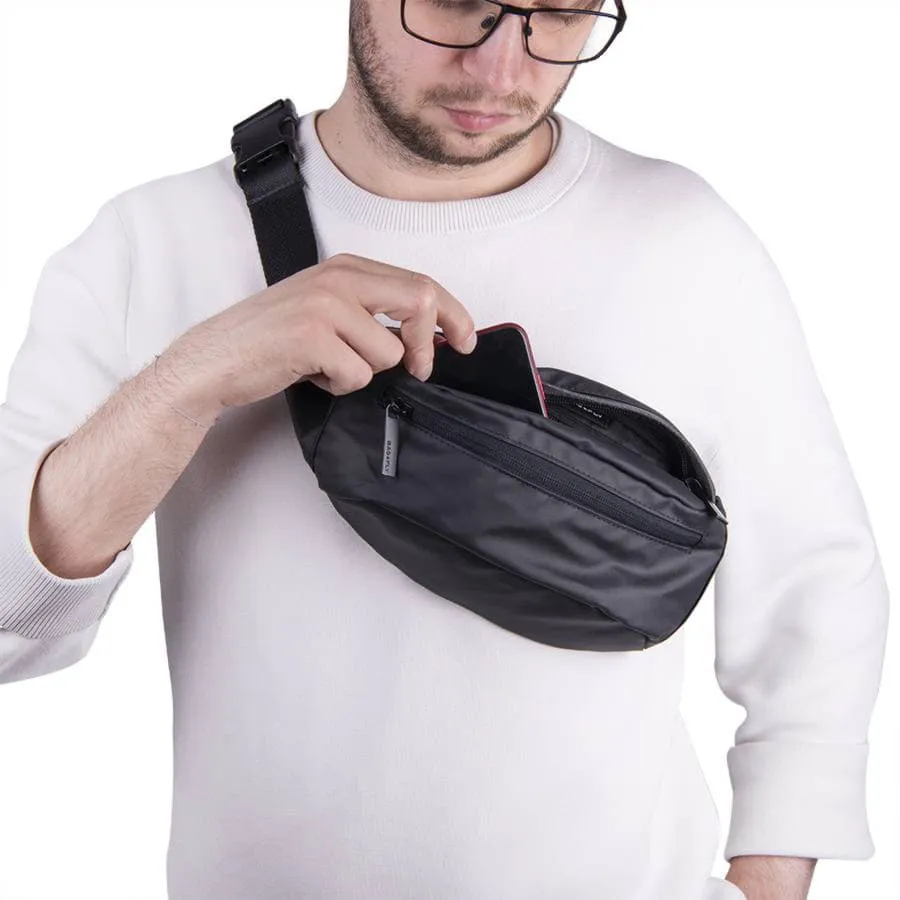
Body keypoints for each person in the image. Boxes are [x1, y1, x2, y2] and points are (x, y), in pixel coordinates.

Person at [0, 2, 889, 899]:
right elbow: (8, 631)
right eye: (461, 4)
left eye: (560, 15)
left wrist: (770, 879)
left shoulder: (685, 238)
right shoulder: (149, 241)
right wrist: (191, 378)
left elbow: (814, 582)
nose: (502, 69)